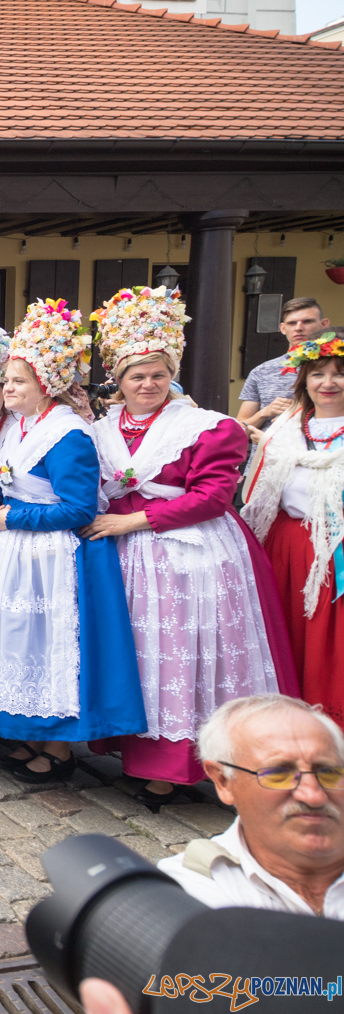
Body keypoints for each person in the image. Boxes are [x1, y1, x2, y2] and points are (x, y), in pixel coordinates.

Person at [85, 287, 294, 808]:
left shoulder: (209, 427)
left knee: (184, 659)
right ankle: (138, 752)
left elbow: (212, 498)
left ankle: (178, 766)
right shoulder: (99, 428)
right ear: (118, 380)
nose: (149, 384)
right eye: (138, 375)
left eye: (158, 374)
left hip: (189, 556)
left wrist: (133, 520)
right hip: (126, 560)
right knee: (138, 659)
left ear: (172, 375)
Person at [0, 302, 146, 783]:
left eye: (19, 382)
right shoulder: (20, 427)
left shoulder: (68, 434)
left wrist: (16, 517)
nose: (8, 390)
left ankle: (60, 748)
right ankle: (30, 732)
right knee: (23, 646)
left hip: (55, 556)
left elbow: (80, 509)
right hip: (19, 552)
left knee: (53, 649)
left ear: (45, 385)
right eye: (7, 381)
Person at [156, 695, 344, 919]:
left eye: (328, 772)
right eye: (278, 774)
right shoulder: (187, 894)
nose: (313, 795)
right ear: (223, 781)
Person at [241, 331, 344, 726]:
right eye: (318, 374)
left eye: (338, 373)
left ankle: (327, 725)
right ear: (304, 381)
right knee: (286, 637)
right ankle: (283, 722)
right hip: (284, 545)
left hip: (334, 549)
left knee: (327, 644)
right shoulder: (285, 429)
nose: (328, 383)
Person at [238, 297, 328, 434]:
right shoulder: (262, 372)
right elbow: (239, 431)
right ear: (283, 328)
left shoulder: (337, 369)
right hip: (266, 454)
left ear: (324, 324)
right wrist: (265, 412)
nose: (299, 328)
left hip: (320, 452)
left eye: (307, 321)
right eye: (292, 323)